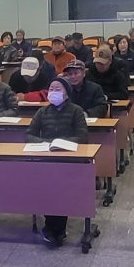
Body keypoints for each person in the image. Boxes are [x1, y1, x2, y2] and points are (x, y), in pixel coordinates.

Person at [27, 77, 89, 246]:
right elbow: (29, 134)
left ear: (66, 93)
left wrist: (61, 143)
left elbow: (82, 136)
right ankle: (51, 227)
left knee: (61, 188)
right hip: (46, 157)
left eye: (58, 89)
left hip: (68, 159)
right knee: (47, 187)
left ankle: (57, 228)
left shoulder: (76, 111)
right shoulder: (42, 112)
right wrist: (46, 143)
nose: (53, 92)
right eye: (51, 89)